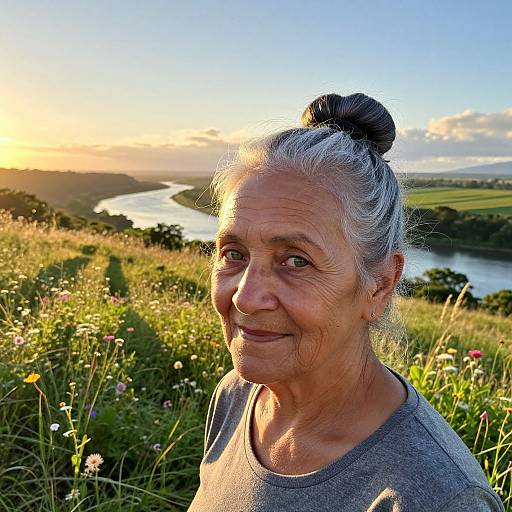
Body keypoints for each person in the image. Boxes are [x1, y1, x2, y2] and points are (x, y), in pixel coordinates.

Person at [188, 93, 505, 511]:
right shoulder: (238, 395)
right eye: (233, 254)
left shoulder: (433, 498)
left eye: (296, 261)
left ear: (379, 284)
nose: (245, 297)